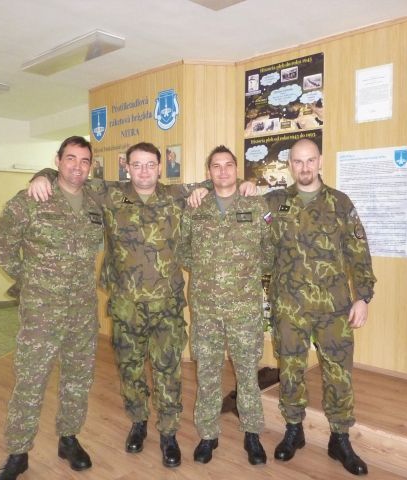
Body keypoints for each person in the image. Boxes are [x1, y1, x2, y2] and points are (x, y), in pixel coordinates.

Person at [27, 142, 256, 468]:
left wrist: (247, 183)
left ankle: (168, 433)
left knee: (168, 371)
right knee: (130, 370)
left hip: (167, 307)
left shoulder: (176, 195)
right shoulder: (109, 194)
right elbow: (72, 176)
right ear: (127, 167)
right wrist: (43, 175)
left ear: (160, 167)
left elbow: (219, 179)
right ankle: (138, 421)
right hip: (126, 306)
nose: (144, 171)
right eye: (137, 165)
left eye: (150, 164)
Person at [0, 136, 104, 480]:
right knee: (31, 380)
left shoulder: (97, 200)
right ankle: (18, 452)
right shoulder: (31, 199)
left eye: (84, 161)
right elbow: (2, 247)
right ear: (57, 160)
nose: (77, 167)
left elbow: (142, 185)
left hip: (82, 310)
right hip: (42, 311)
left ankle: (69, 439)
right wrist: (32, 281)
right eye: (70, 158)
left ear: (91, 166)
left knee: (78, 379)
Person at [266, 138, 376, 476]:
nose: (304, 167)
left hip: (333, 308)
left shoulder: (340, 203)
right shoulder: (274, 202)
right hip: (289, 306)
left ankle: (340, 438)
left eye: (310, 160)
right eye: (298, 161)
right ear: (289, 165)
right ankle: (294, 430)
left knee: (338, 373)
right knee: (290, 369)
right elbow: (259, 247)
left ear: (320, 161)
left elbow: (359, 252)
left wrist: (363, 297)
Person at [179, 146, 273, 466]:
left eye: (228, 165)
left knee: (247, 374)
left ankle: (252, 433)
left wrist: (243, 275)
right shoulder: (196, 207)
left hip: (244, 309)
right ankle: (208, 434)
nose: (222, 171)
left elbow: (269, 249)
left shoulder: (255, 204)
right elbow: (184, 249)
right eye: (216, 166)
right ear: (209, 172)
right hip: (206, 308)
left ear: (236, 169)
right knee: (207, 373)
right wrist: (210, 272)